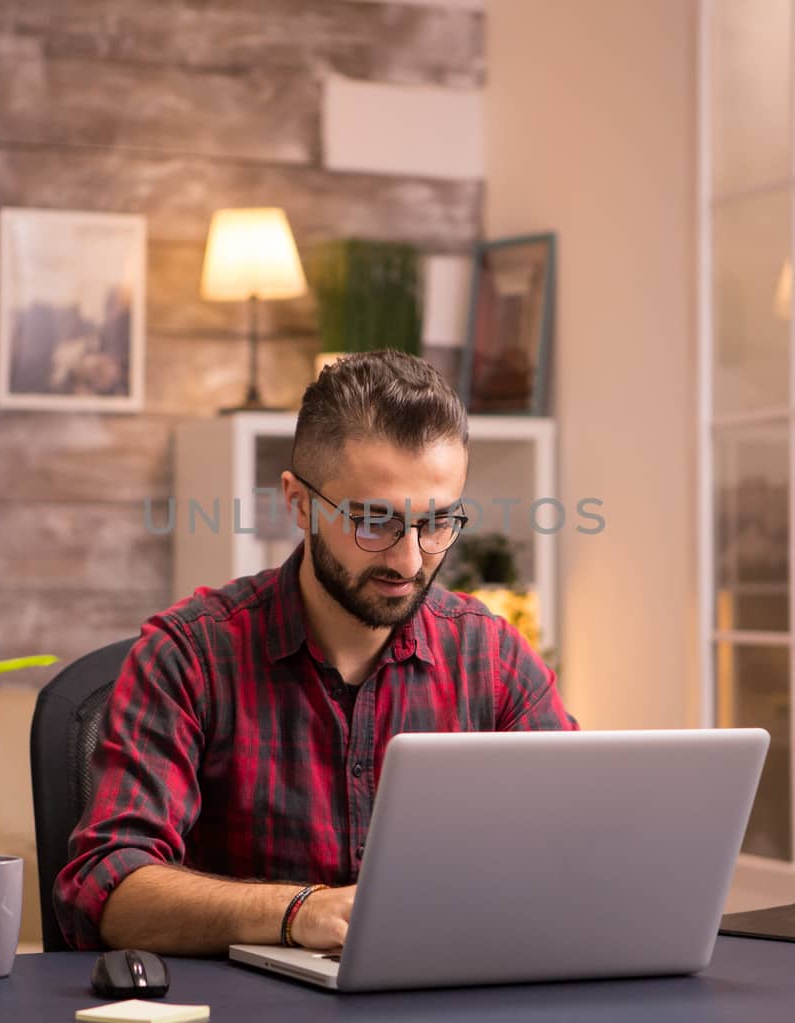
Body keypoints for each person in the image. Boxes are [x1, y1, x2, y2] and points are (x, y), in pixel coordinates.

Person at [55, 349, 577, 954]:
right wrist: (294, 912)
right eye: (375, 521)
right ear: (299, 503)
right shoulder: (189, 657)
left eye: (436, 523)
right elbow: (106, 891)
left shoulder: (495, 659)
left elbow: (571, 853)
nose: (410, 561)